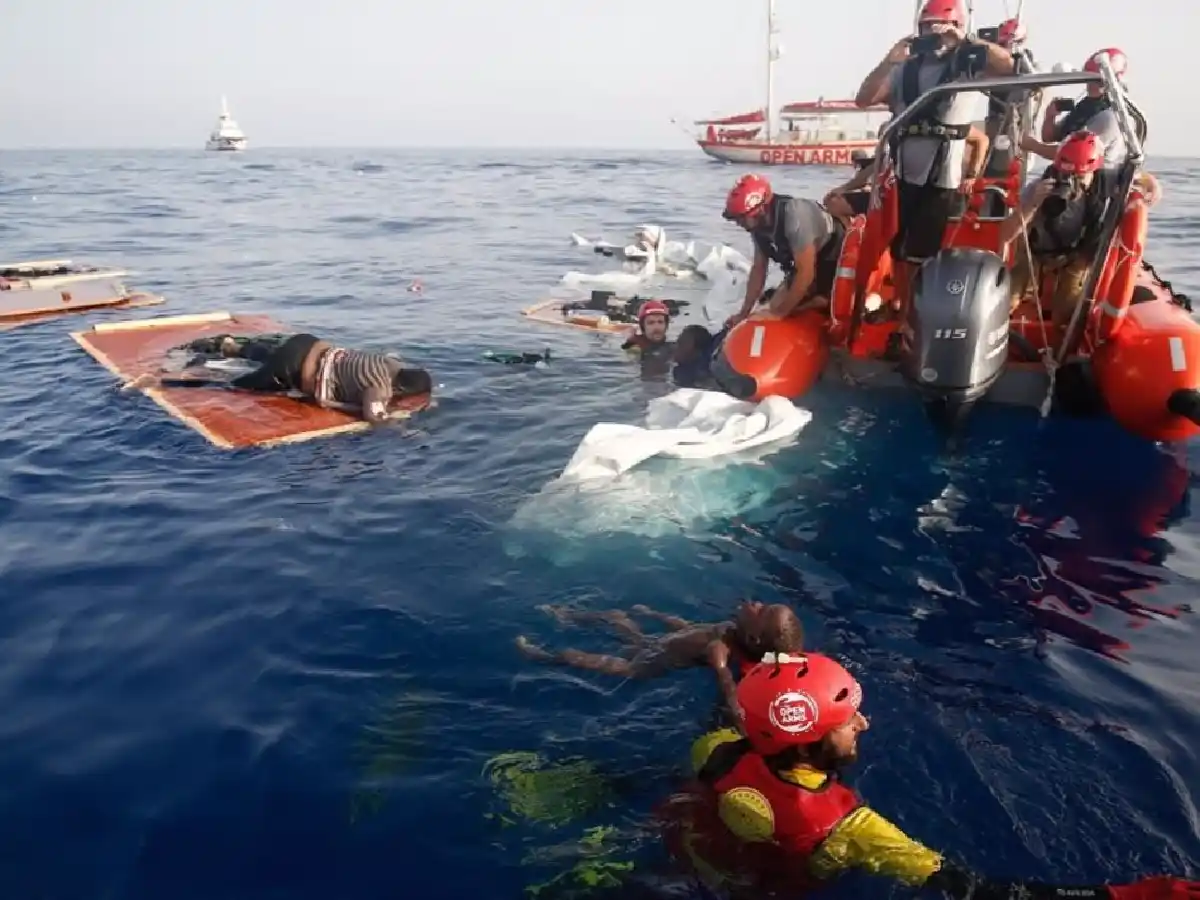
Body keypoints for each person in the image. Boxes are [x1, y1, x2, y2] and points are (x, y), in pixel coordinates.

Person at [666, 651, 1200, 900]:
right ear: (808, 741)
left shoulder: (715, 752)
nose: (862, 723)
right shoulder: (853, 830)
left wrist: (722, 669)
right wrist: (1128, 897)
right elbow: (978, 891)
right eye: (846, 719)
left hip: (681, 857)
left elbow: (742, 721)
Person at [854, 0, 1012, 306]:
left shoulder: (968, 64)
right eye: (927, 27)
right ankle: (901, 308)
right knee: (899, 250)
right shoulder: (905, 69)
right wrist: (889, 61)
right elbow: (864, 99)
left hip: (942, 178)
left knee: (920, 254)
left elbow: (1008, 66)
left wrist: (966, 41)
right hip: (902, 176)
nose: (933, 33)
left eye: (939, 26)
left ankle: (915, 313)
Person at [515, 600, 805, 726]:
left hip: (643, 664)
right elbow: (689, 627)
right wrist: (655, 615)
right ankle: (566, 615)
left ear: (754, 637)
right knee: (615, 616)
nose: (755, 604)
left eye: (761, 610)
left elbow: (726, 684)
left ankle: (543, 657)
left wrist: (737, 715)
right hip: (653, 644)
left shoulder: (720, 649)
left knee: (575, 656)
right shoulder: (729, 629)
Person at [999, 130, 1160, 328]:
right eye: (1066, 174)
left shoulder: (1107, 179)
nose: (1071, 181)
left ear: (1093, 169)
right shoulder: (1038, 187)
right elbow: (1004, 235)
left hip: (1077, 253)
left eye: (1079, 176)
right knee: (1006, 300)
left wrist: (1150, 184)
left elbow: (1139, 176)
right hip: (1035, 250)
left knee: (1066, 314)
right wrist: (1032, 205)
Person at [124, 332, 432, 424]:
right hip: (293, 370)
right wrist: (395, 417)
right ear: (401, 387)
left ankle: (231, 345)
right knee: (238, 386)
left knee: (260, 353)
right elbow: (374, 419)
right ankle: (160, 380)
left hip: (309, 343)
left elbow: (393, 351)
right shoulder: (380, 387)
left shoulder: (388, 362)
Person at [721, 174, 846, 328]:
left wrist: (779, 314)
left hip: (835, 258)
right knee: (770, 308)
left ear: (761, 208)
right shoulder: (757, 226)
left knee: (785, 310)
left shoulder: (795, 215)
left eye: (741, 218)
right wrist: (743, 313)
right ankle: (813, 301)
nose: (738, 223)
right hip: (804, 264)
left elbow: (806, 273)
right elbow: (759, 269)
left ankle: (821, 300)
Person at [1022, 48, 1134, 172]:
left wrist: (1033, 146)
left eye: (1097, 80)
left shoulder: (1109, 117)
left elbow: (1073, 154)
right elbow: (1049, 138)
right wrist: (1050, 116)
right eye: (1089, 79)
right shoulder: (1084, 106)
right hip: (1067, 174)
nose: (1090, 84)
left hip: (1090, 181)